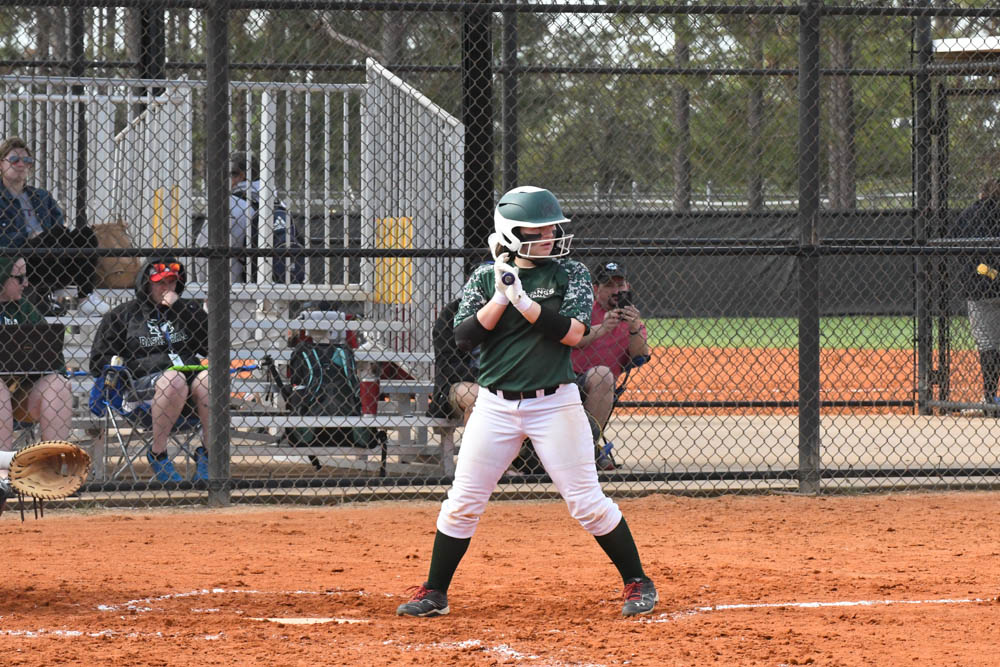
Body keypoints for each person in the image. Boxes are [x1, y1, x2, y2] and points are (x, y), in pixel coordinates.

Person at [397, 186, 657, 618]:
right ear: (512, 233)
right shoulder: (485, 277)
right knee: (462, 501)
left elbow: (573, 333)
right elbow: (464, 337)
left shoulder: (568, 273)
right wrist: (500, 298)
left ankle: (638, 582)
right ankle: (435, 591)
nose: (552, 236)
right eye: (540, 230)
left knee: (586, 502)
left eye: (553, 228)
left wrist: (524, 302)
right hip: (496, 407)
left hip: (555, 404)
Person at [89, 258, 211, 482]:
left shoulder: (187, 311)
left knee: (209, 381)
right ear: (146, 284)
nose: (167, 288)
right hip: (142, 388)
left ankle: (209, 455)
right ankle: (158, 453)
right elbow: (98, 361)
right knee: (174, 379)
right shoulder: (122, 315)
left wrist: (181, 309)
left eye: (172, 282)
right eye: (160, 283)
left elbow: (211, 344)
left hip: (188, 384)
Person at [0, 137, 105, 315]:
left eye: (26, 160)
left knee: (85, 234)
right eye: (14, 159)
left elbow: (58, 231)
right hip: (18, 262)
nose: (21, 164)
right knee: (52, 234)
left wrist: (44, 236)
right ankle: (46, 295)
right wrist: (29, 237)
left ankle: (86, 298)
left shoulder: (41, 196)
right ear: (1, 164)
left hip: (52, 257)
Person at [0, 257, 73, 499]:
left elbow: (50, 354)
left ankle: (50, 474)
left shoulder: (25, 309)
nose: (26, 283)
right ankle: (2, 477)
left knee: (58, 385)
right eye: (19, 278)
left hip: (20, 392)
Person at [571, 260, 650, 431]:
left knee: (603, 375)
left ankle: (591, 445)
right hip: (569, 379)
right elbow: (573, 339)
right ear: (596, 289)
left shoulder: (632, 320)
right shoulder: (583, 311)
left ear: (627, 287)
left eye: (620, 285)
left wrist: (634, 328)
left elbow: (640, 356)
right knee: (603, 375)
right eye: (609, 285)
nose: (616, 291)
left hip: (602, 384)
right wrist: (603, 328)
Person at [953, 178, 1000, 405]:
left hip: (979, 287)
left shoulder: (969, 214)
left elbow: (955, 244)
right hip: (989, 281)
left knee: (988, 343)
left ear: (982, 193)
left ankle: (990, 395)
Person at [228, 151, 304, 284]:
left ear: (240, 176)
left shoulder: (231, 204)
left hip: (236, 290)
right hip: (277, 288)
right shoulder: (277, 203)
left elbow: (204, 249)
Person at [429, 297, 480, 424]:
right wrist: (488, 379)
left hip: (504, 382)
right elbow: (449, 365)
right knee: (476, 396)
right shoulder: (453, 311)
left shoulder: (514, 309)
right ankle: (475, 444)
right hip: (463, 383)